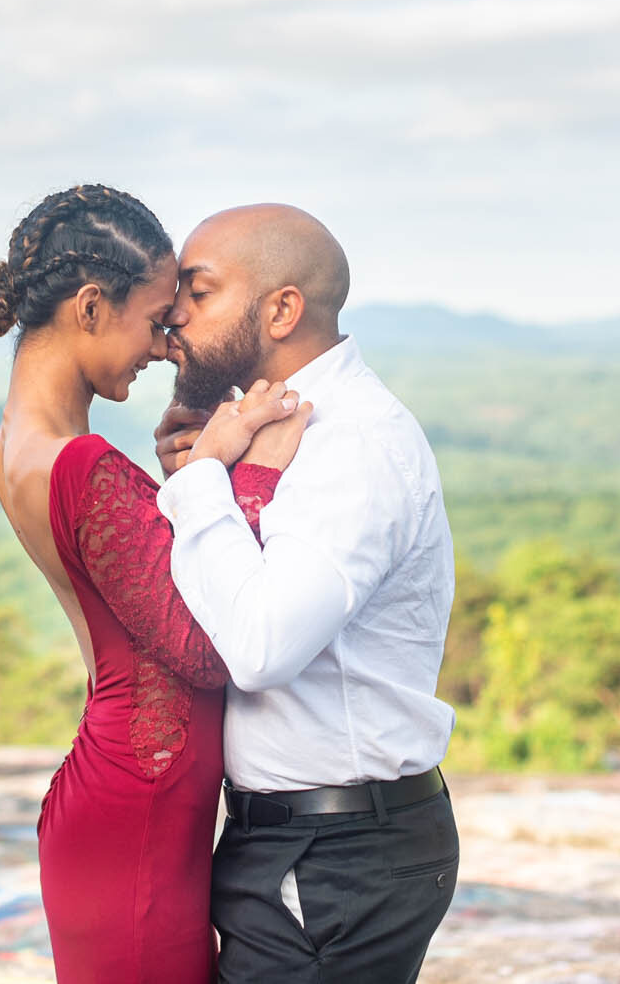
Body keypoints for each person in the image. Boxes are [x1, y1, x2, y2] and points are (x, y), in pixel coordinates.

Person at [0, 183, 312, 984]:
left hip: (125, 802)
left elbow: (139, 592)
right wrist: (244, 473)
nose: (163, 346)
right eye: (155, 321)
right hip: (135, 814)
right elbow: (205, 644)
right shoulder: (80, 463)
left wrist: (192, 479)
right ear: (90, 307)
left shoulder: (25, 444)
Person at [153, 203, 459, 984]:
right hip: (303, 843)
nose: (172, 313)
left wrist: (201, 488)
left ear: (282, 308)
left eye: (200, 290)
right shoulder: (279, 429)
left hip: (336, 854)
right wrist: (219, 483)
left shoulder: (350, 444)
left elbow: (259, 646)